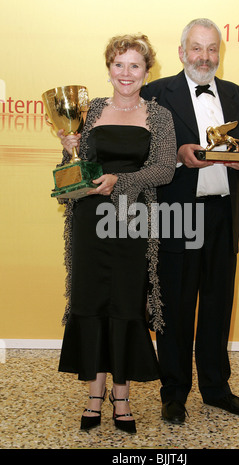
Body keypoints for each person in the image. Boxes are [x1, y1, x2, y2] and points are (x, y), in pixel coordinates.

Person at [141, 18, 239, 424]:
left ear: (219, 54)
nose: (204, 57)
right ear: (181, 52)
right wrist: (178, 155)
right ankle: (174, 392)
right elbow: (141, 153)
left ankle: (216, 388)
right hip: (178, 214)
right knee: (175, 308)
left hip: (222, 216)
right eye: (197, 48)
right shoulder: (155, 95)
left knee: (216, 305)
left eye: (212, 49)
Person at [57, 34, 177, 434]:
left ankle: (121, 396)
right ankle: (95, 393)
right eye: (118, 65)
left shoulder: (159, 116)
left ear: (147, 71)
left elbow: (165, 170)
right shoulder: (89, 111)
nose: (126, 73)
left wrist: (119, 181)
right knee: (91, 302)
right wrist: (68, 148)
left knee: (126, 304)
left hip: (133, 222)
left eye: (135, 66)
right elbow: (74, 174)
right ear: (108, 67)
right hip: (89, 222)